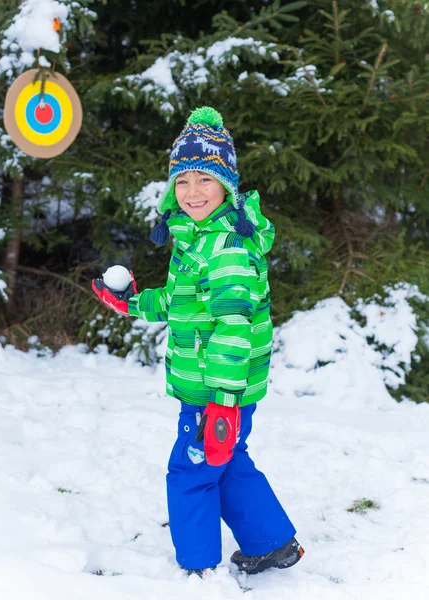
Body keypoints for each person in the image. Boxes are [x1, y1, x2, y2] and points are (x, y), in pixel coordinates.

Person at [92, 106, 304, 577]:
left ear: (225, 185)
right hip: (217, 388)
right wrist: (130, 303)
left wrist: (224, 403)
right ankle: (271, 542)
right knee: (226, 464)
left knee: (190, 473)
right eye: (182, 182)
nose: (192, 193)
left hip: (216, 390)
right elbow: (176, 301)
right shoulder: (195, 240)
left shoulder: (225, 248)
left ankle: (199, 569)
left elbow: (235, 326)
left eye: (204, 181)